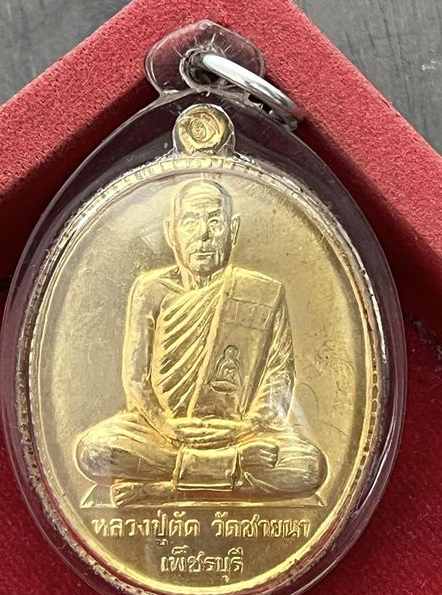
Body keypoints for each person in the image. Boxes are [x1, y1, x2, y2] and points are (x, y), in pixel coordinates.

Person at [77, 178, 326, 506]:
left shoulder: (264, 293)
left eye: (215, 222)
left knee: (309, 466)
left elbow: (278, 378)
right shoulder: (150, 290)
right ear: (171, 232)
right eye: (191, 221)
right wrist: (169, 428)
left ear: (232, 230)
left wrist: (241, 430)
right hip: (163, 432)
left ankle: (168, 488)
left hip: (239, 434)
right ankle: (226, 470)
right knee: (95, 450)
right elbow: (135, 381)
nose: (204, 234)